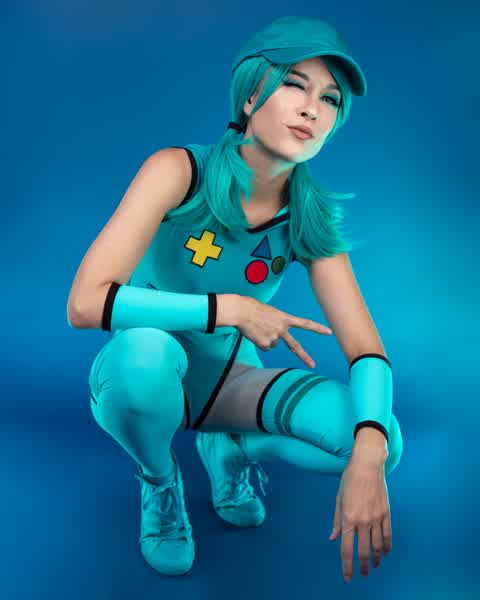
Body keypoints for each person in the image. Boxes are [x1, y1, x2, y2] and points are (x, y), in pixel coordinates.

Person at [66, 15, 403, 581]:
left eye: (330, 99)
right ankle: (160, 482)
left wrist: (369, 453)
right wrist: (229, 308)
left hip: (229, 383)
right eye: (294, 84)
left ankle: (233, 449)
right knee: (145, 355)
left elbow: (367, 351)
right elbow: (86, 303)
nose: (311, 109)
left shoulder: (309, 217)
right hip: (141, 370)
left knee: (382, 435)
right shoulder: (179, 170)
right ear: (250, 96)